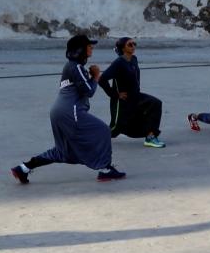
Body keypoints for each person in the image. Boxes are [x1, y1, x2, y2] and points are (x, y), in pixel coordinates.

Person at [10, 34, 126, 184]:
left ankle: (24, 168)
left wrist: (90, 77)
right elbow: (89, 91)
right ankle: (105, 169)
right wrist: (96, 76)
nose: (91, 48)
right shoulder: (76, 67)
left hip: (57, 112)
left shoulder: (72, 67)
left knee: (62, 151)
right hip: (70, 112)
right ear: (80, 50)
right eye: (89, 46)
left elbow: (82, 87)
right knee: (102, 130)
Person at [98, 37, 165, 148]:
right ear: (123, 48)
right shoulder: (118, 63)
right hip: (123, 101)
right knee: (114, 130)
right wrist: (114, 94)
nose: (133, 46)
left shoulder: (134, 59)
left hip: (136, 96)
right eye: (130, 44)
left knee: (155, 103)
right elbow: (102, 79)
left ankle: (150, 137)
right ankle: (92, 136)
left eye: (134, 44)